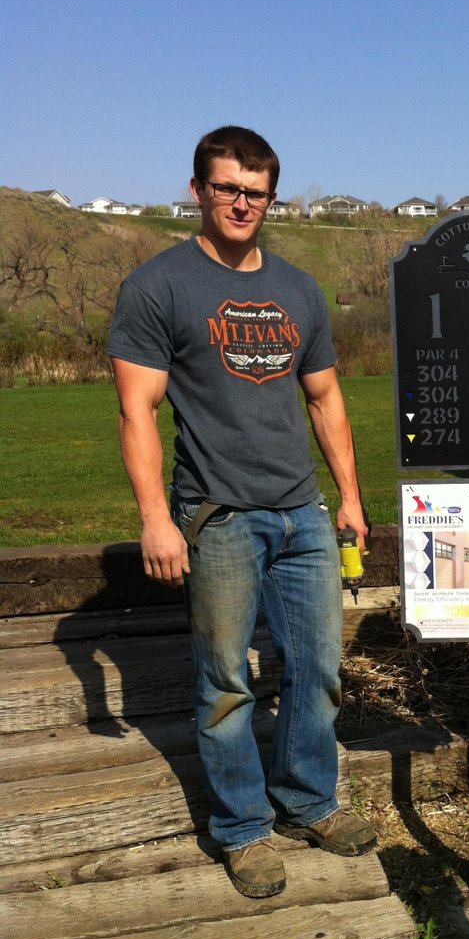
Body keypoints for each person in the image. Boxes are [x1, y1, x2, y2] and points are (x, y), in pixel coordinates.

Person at [108, 125, 375, 899]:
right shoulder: (159, 286)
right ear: (197, 190)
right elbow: (137, 411)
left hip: (303, 514)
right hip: (217, 516)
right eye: (226, 187)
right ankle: (241, 829)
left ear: (271, 198)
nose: (241, 203)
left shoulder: (297, 289)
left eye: (255, 192)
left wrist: (349, 498)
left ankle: (308, 800)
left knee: (318, 670)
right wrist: (156, 518)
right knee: (225, 682)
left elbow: (325, 398)